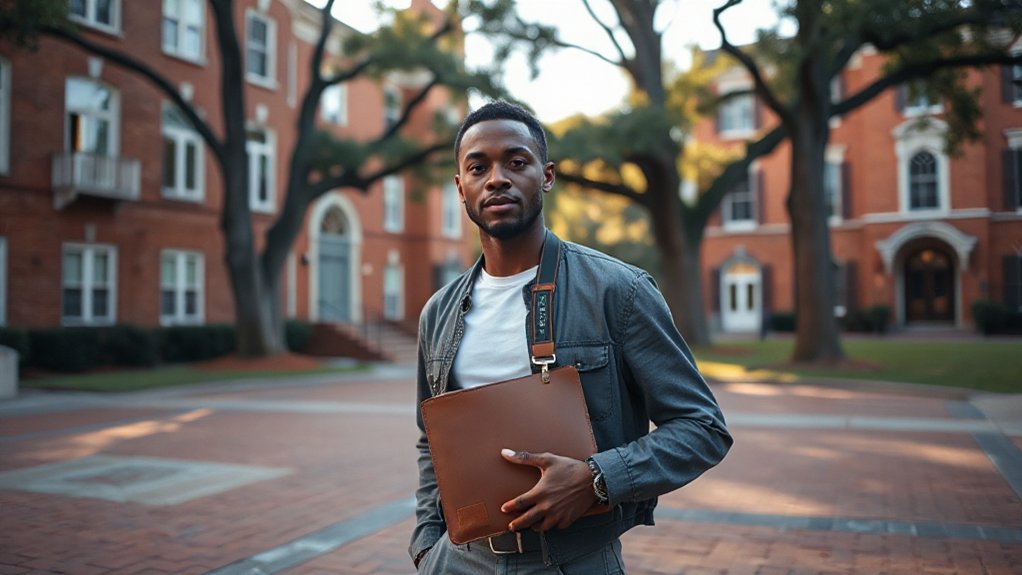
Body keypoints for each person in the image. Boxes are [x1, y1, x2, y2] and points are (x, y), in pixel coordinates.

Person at [409, 100, 732, 574]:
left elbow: (702, 429)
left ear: (547, 175)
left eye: (517, 162)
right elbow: (429, 438)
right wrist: (425, 544)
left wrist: (596, 480)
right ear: (461, 186)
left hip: (573, 560)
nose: (496, 178)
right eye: (478, 167)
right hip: (457, 561)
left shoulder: (619, 292)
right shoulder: (438, 311)